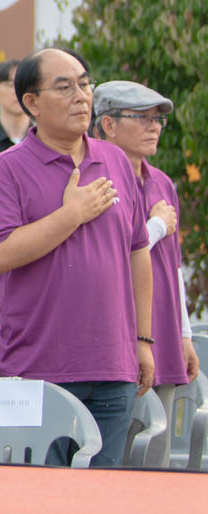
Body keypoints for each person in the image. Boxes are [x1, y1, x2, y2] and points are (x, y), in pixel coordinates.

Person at [0, 48, 154, 467]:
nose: (81, 96)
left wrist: (143, 341)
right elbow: (0, 254)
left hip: (113, 367)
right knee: (39, 495)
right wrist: (71, 214)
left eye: (85, 84)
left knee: (101, 493)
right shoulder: (7, 168)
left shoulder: (114, 159)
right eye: (64, 87)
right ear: (32, 102)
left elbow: (138, 251)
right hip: (38, 368)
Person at [93, 80, 198, 460]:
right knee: (117, 452)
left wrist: (184, 333)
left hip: (163, 331)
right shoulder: (98, 180)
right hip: (120, 334)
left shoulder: (162, 182)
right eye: (143, 118)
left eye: (158, 120)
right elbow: (106, 254)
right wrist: (154, 227)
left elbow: (173, 267)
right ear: (108, 124)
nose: (154, 127)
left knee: (157, 453)